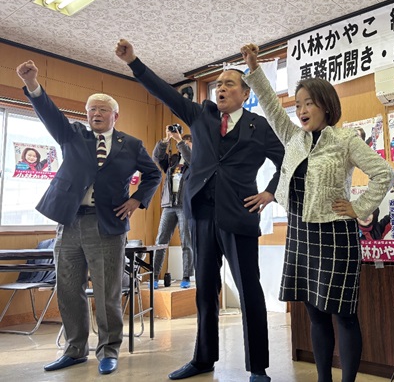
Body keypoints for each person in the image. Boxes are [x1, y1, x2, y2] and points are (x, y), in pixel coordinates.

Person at [115, 39, 285, 382]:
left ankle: (258, 368)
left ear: (245, 93)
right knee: (205, 291)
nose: (221, 88)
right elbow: (165, 92)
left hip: (239, 216)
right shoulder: (202, 115)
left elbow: (287, 161)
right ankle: (203, 359)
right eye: (218, 84)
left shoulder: (259, 126)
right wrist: (134, 61)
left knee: (249, 291)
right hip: (201, 216)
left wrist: (270, 192)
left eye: (229, 84)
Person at [241, 43, 394, 382]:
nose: (301, 110)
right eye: (298, 104)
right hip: (301, 233)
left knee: (344, 315)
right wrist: (254, 69)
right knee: (316, 316)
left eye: (308, 102)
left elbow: (384, 173)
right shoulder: (293, 138)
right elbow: (271, 106)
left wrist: (359, 207)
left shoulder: (345, 140)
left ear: (326, 105)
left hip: (336, 235)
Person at [16, 60, 161, 376]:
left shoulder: (131, 145)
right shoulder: (72, 135)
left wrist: (137, 199)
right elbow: (50, 114)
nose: (95, 113)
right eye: (91, 109)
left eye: (102, 110)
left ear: (114, 116)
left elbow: (154, 174)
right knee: (69, 289)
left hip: (107, 225)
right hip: (69, 222)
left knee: (108, 292)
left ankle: (109, 350)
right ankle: (74, 350)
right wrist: (32, 84)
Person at [152, 126, 194, 289]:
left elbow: (190, 159)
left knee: (186, 242)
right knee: (160, 242)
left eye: (188, 143)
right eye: (184, 142)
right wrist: (166, 139)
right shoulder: (173, 160)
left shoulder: (196, 160)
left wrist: (179, 141)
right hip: (169, 205)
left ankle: (186, 276)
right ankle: (154, 276)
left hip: (185, 206)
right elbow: (157, 157)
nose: (185, 144)